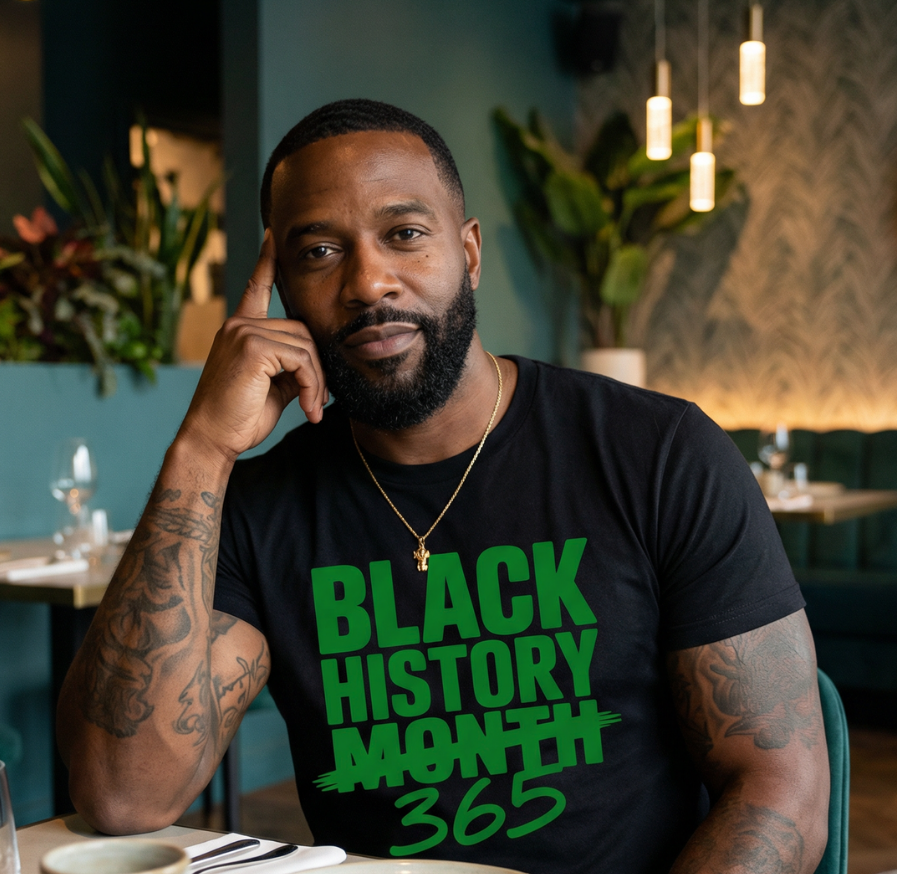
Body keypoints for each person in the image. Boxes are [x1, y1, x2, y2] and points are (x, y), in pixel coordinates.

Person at [57, 100, 829, 873]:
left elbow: (779, 786)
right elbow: (124, 797)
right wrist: (199, 451)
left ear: (469, 253)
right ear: (282, 289)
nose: (368, 282)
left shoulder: (658, 453)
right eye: (321, 252)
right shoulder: (259, 507)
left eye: (405, 234)